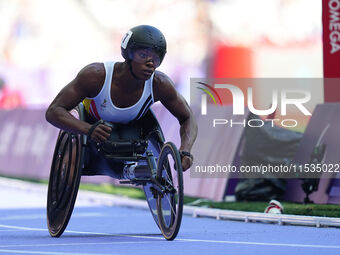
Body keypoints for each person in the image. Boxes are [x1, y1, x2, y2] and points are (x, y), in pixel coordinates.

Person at [45, 25, 197, 171]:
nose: (150, 63)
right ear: (127, 54)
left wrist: (186, 149)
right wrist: (87, 129)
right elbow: (53, 111)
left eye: (155, 58)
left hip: (132, 128)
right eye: (143, 55)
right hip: (91, 124)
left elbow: (187, 117)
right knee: (74, 142)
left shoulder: (160, 84)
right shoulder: (95, 76)